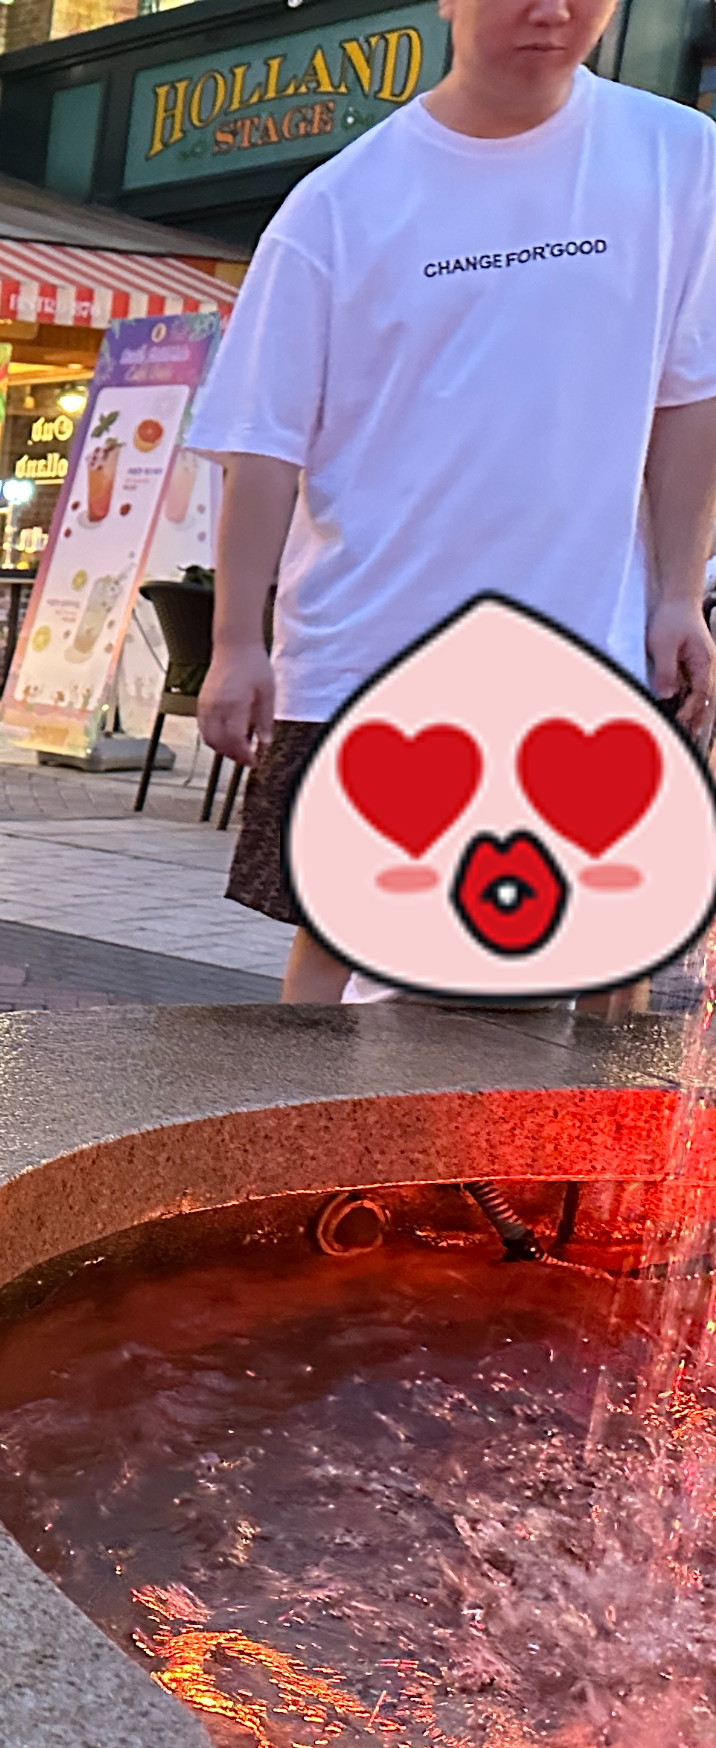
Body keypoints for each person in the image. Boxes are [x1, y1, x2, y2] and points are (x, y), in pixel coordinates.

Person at [192, 0, 716, 1007]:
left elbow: (688, 394)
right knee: (339, 947)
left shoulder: (676, 156)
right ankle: (318, 1166)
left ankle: (581, 1173)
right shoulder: (342, 201)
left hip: (589, 633)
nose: (554, 12)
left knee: (618, 955)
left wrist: (676, 594)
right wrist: (236, 641)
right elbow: (260, 441)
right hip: (366, 641)